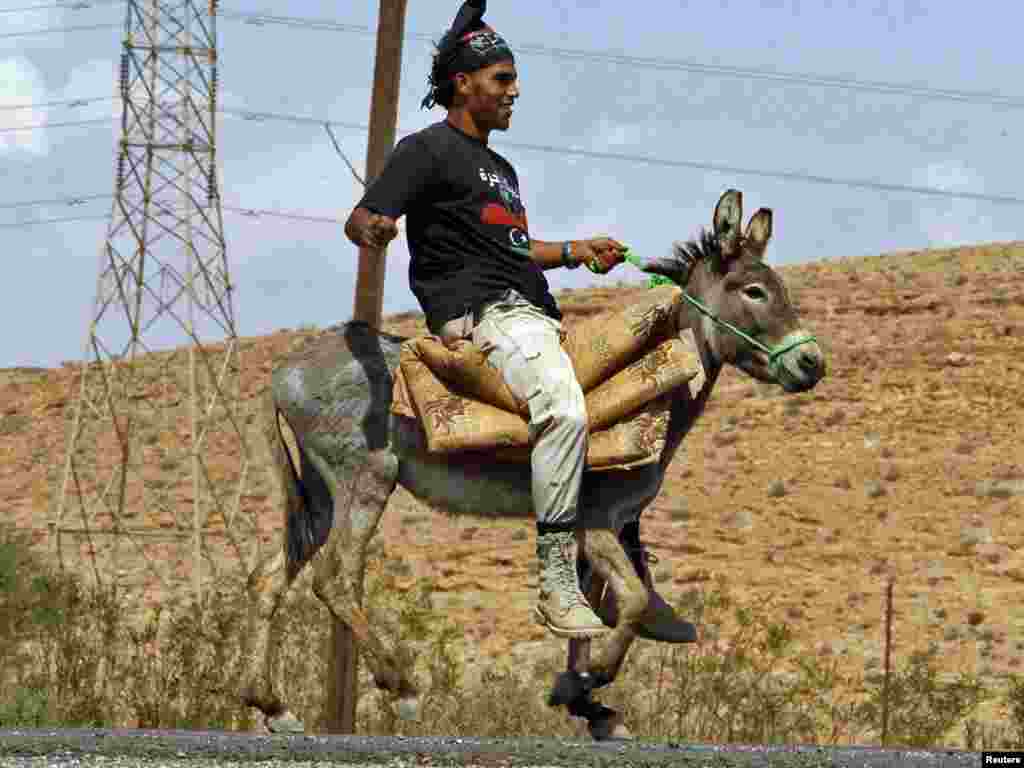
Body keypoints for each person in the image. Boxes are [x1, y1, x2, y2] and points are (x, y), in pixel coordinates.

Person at [345, 0, 690, 642]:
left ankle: (627, 568)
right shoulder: (425, 151)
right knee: (563, 410)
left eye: (514, 80)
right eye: (502, 79)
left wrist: (574, 251)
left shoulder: (500, 172)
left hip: (532, 315)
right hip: (483, 317)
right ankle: (557, 581)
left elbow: (512, 250)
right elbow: (360, 217)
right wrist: (376, 228)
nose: (514, 91)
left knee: (626, 403)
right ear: (463, 83)